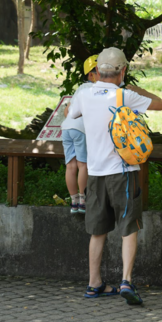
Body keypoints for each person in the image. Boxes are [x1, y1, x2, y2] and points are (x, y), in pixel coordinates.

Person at [67, 47, 162, 304]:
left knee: (97, 231)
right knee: (128, 228)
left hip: (95, 172)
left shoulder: (84, 93)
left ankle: (94, 284)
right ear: (123, 71)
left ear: (97, 71)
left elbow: (71, 114)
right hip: (123, 172)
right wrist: (137, 91)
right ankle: (126, 281)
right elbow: (161, 104)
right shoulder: (124, 95)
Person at [62, 55, 98, 214]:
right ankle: (83, 200)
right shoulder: (96, 89)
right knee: (83, 165)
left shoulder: (80, 88)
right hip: (80, 129)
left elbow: (66, 111)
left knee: (70, 166)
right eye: (100, 72)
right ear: (91, 74)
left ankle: (73, 201)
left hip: (66, 128)